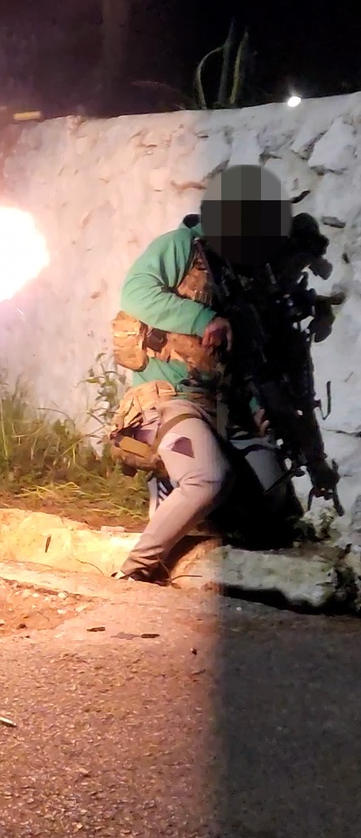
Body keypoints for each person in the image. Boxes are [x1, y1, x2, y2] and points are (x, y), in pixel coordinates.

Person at [105, 187, 300, 582]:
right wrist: (202, 320)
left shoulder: (242, 276)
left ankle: (186, 512)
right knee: (208, 479)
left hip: (222, 407)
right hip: (166, 400)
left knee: (274, 496)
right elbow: (136, 292)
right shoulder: (179, 246)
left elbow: (242, 356)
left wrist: (259, 407)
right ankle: (135, 571)